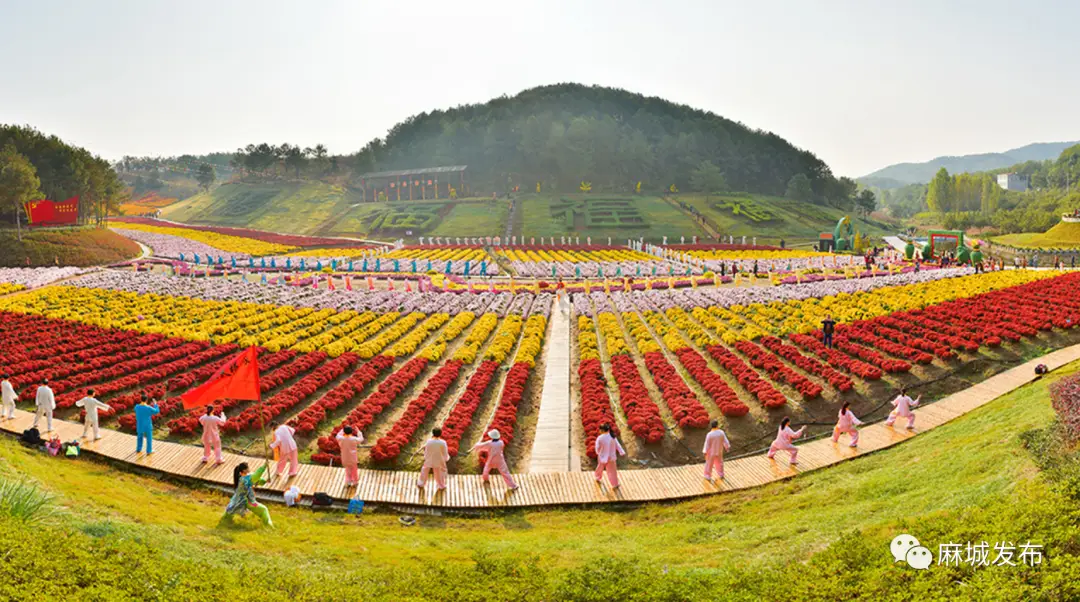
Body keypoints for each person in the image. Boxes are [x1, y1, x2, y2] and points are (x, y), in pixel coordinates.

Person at [222, 462, 272, 527]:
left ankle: (225, 521)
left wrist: (265, 481)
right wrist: (264, 466)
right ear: (244, 470)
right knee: (263, 509)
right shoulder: (244, 479)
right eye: (248, 467)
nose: (249, 468)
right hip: (244, 500)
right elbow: (256, 476)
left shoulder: (244, 478)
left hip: (237, 499)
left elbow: (256, 480)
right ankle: (269, 526)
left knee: (229, 512)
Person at [594, 423, 626, 489]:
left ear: (602, 430)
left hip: (602, 457)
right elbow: (618, 445)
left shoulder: (600, 438)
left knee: (600, 467)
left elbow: (597, 447)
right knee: (612, 471)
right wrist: (621, 452)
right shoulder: (612, 436)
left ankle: (597, 477)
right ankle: (615, 484)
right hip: (611, 457)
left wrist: (598, 452)